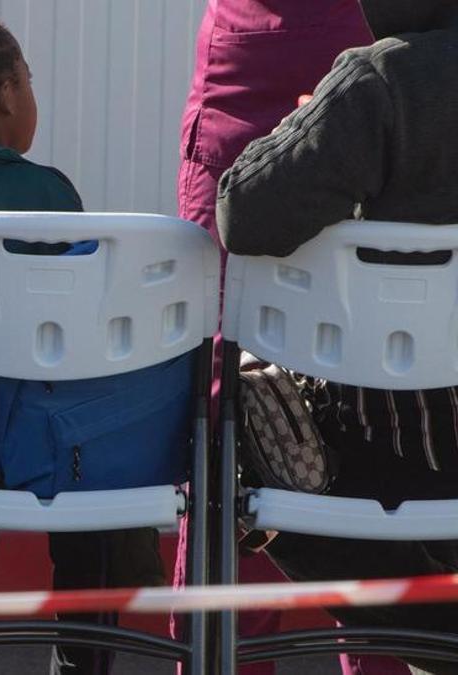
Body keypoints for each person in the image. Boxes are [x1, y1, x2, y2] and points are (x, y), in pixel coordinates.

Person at [0, 11, 193, 675]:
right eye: (28, 79)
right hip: (42, 454)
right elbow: (74, 350)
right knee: (83, 472)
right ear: (4, 95)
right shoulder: (47, 195)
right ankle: (82, 655)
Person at [218, 1, 458, 673]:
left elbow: (243, 213)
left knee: (246, 413)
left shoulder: (376, 84)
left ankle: (437, 634)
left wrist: (310, 128)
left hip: (386, 454)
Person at [170, 3, 393, 674]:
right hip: (358, 58)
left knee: (231, 418)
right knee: (374, 404)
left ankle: (223, 656)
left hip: (256, 69)